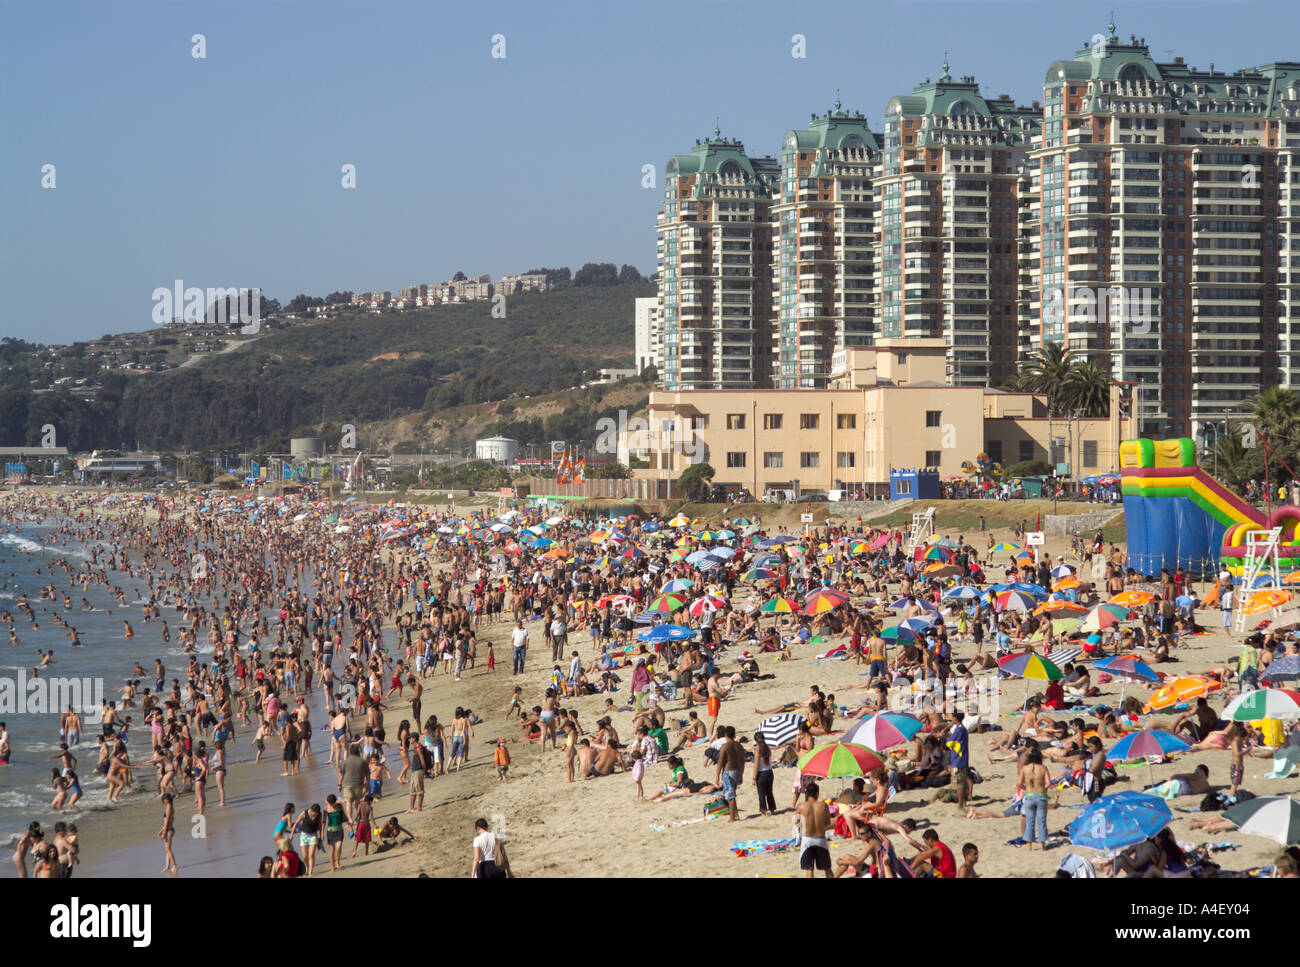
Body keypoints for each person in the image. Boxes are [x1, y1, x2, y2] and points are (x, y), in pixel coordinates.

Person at [796, 781, 832, 877]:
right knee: (827, 868)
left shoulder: (801, 806)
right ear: (817, 793)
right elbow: (828, 823)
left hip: (807, 840)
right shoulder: (823, 805)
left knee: (809, 870)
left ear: (807, 793)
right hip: (820, 839)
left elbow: (797, 823)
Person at [1019, 748, 1050, 850]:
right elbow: (1048, 783)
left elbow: (1018, 783)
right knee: (1042, 821)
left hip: (1029, 795)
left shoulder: (1024, 768)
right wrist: (1044, 790)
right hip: (1041, 795)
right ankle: (1042, 845)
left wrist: (1026, 789)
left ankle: (1029, 845)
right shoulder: (1043, 768)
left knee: (1030, 821)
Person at [715, 725, 745, 822]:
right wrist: (741, 774)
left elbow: (720, 762)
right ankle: (736, 815)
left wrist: (717, 776)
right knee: (732, 794)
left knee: (730, 796)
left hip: (728, 772)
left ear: (725, 735)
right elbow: (742, 761)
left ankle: (732, 818)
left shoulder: (725, 746)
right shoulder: (739, 746)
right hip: (737, 771)